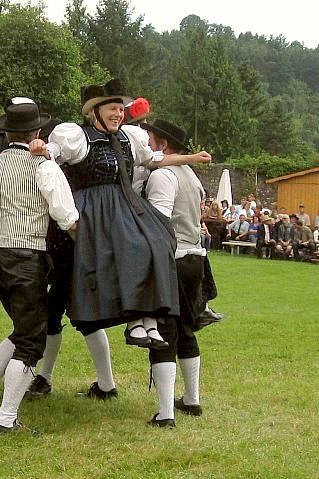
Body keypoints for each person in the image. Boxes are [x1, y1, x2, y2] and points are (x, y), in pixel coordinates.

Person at [45, 79, 211, 402]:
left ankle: (145, 321)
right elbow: (52, 153)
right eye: (111, 108)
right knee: (132, 248)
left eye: (121, 109)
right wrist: (41, 148)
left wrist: (190, 158)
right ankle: (135, 320)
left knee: (157, 242)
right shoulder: (78, 137)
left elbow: (156, 160)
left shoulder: (129, 139)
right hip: (93, 210)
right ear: (95, 111)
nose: (118, 114)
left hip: (122, 205)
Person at [0, 99, 78, 433]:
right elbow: (67, 217)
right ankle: (6, 419)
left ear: (6, 132)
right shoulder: (44, 166)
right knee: (31, 341)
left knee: (24, 328)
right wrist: (94, 246)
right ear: (38, 131)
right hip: (26, 258)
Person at [142, 119, 219, 427]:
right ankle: (192, 399)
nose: (147, 143)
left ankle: (165, 414)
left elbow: (159, 224)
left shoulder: (163, 175)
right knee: (186, 328)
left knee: (163, 333)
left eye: (151, 138)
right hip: (194, 258)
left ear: (163, 144)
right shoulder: (190, 174)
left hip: (172, 259)